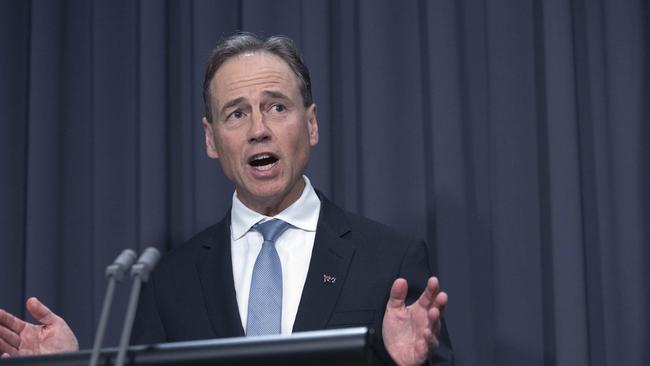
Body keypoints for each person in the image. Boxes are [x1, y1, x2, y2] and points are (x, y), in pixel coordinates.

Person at [0, 33, 452, 365]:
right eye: (236, 113)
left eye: (277, 107)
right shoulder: (167, 283)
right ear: (211, 139)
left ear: (311, 124)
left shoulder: (389, 260)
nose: (258, 128)